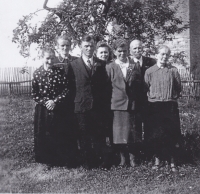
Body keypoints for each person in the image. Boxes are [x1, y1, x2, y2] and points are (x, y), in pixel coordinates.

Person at [70, 35, 108, 169]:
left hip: (98, 106)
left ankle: (101, 161)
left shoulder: (102, 64)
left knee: (99, 133)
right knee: (84, 134)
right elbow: (71, 87)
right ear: (81, 47)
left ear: (94, 47)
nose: (89, 48)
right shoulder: (73, 65)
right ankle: (87, 161)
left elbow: (105, 86)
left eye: (91, 46)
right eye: (86, 46)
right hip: (81, 105)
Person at [32, 47, 72, 167]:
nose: (50, 61)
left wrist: (55, 101)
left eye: (52, 58)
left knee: (59, 132)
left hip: (58, 107)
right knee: (44, 133)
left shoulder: (60, 71)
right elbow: (34, 93)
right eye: (47, 58)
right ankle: (47, 159)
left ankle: (60, 159)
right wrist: (46, 102)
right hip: (43, 110)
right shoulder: (37, 73)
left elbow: (66, 89)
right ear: (42, 58)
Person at [144, 45, 181, 171]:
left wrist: (170, 97)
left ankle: (172, 161)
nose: (164, 57)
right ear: (156, 55)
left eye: (167, 54)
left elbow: (178, 88)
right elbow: (146, 88)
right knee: (156, 134)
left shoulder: (173, 70)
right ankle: (157, 160)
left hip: (170, 106)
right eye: (162, 54)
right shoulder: (149, 71)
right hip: (155, 106)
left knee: (171, 134)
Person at [106, 39, 142, 168]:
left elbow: (139, 85)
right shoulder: (110, 66)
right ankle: (122, 159)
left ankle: (133, 158)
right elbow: (107, 87)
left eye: (124, 51)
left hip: (132, 104)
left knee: (132, 133)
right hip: (117, 104)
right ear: (115, 52)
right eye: (119, 51)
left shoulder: (134, 65)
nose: (122, 54)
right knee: (119, 133)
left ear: (128, 51)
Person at [129, 39, 156, 161]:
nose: (137, 50)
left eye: (139, 48)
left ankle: (150, 154)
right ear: (130, 50)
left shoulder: (151, 62)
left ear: (142, 48)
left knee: (150, 127)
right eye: (134, 48)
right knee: (135, 129)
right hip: (134, 102)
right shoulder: (127, 63)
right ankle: (137, 155)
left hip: (149, 101)